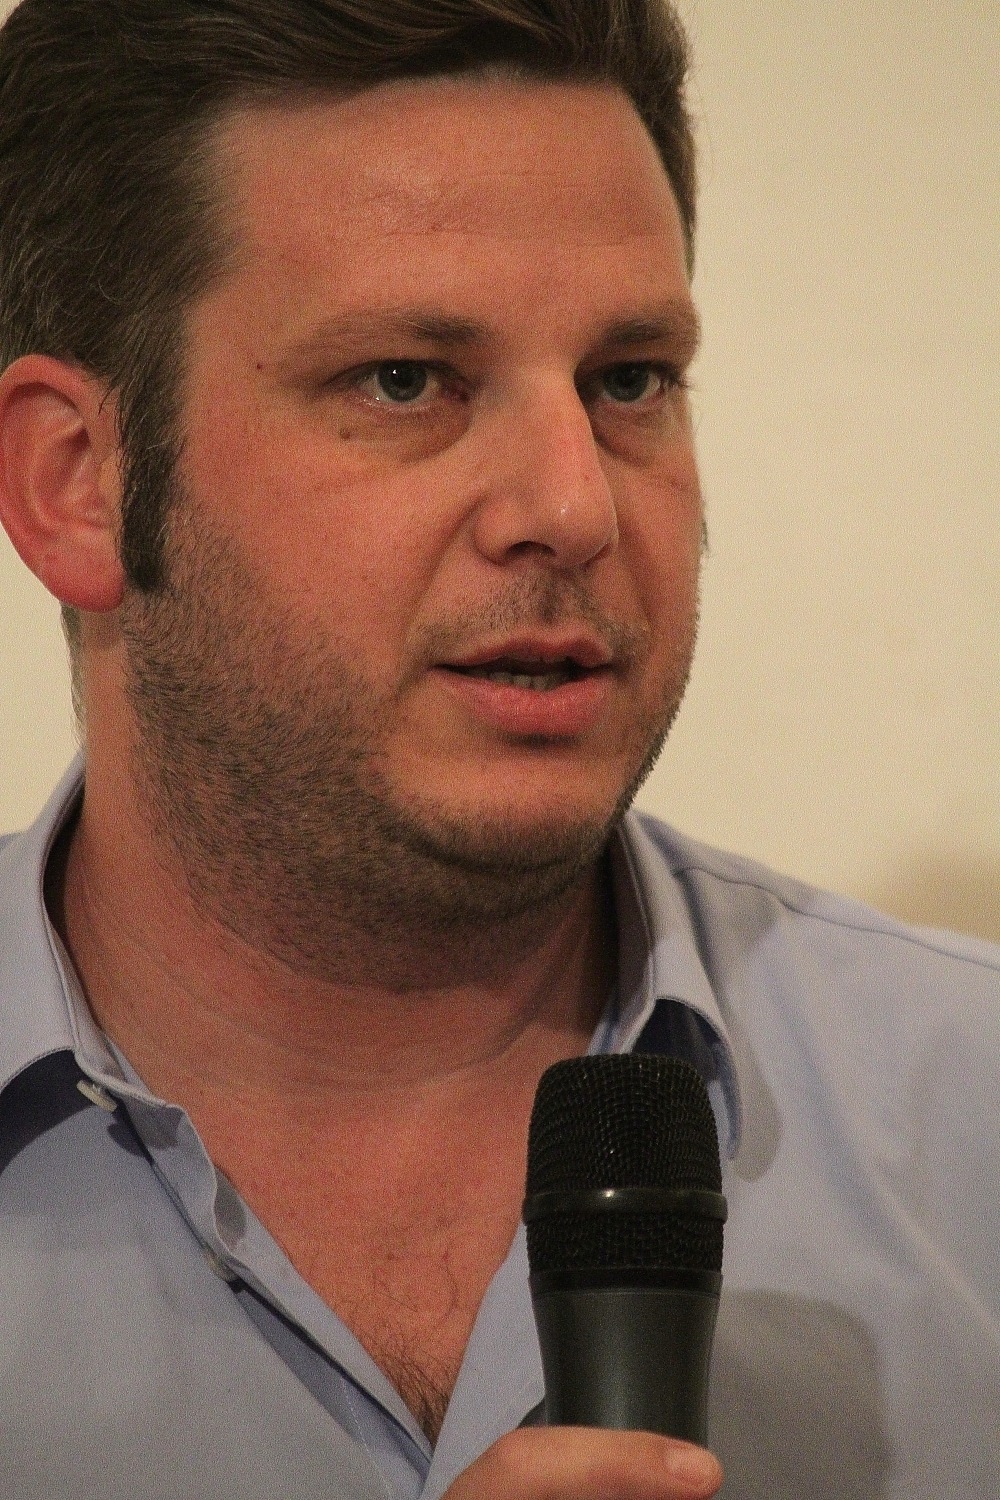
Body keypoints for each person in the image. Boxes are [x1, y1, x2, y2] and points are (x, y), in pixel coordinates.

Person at [0, 1, 997, 1497]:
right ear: (76, 484)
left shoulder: (972, 1125)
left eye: (628, 379)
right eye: (407, 380)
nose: (574, 508)